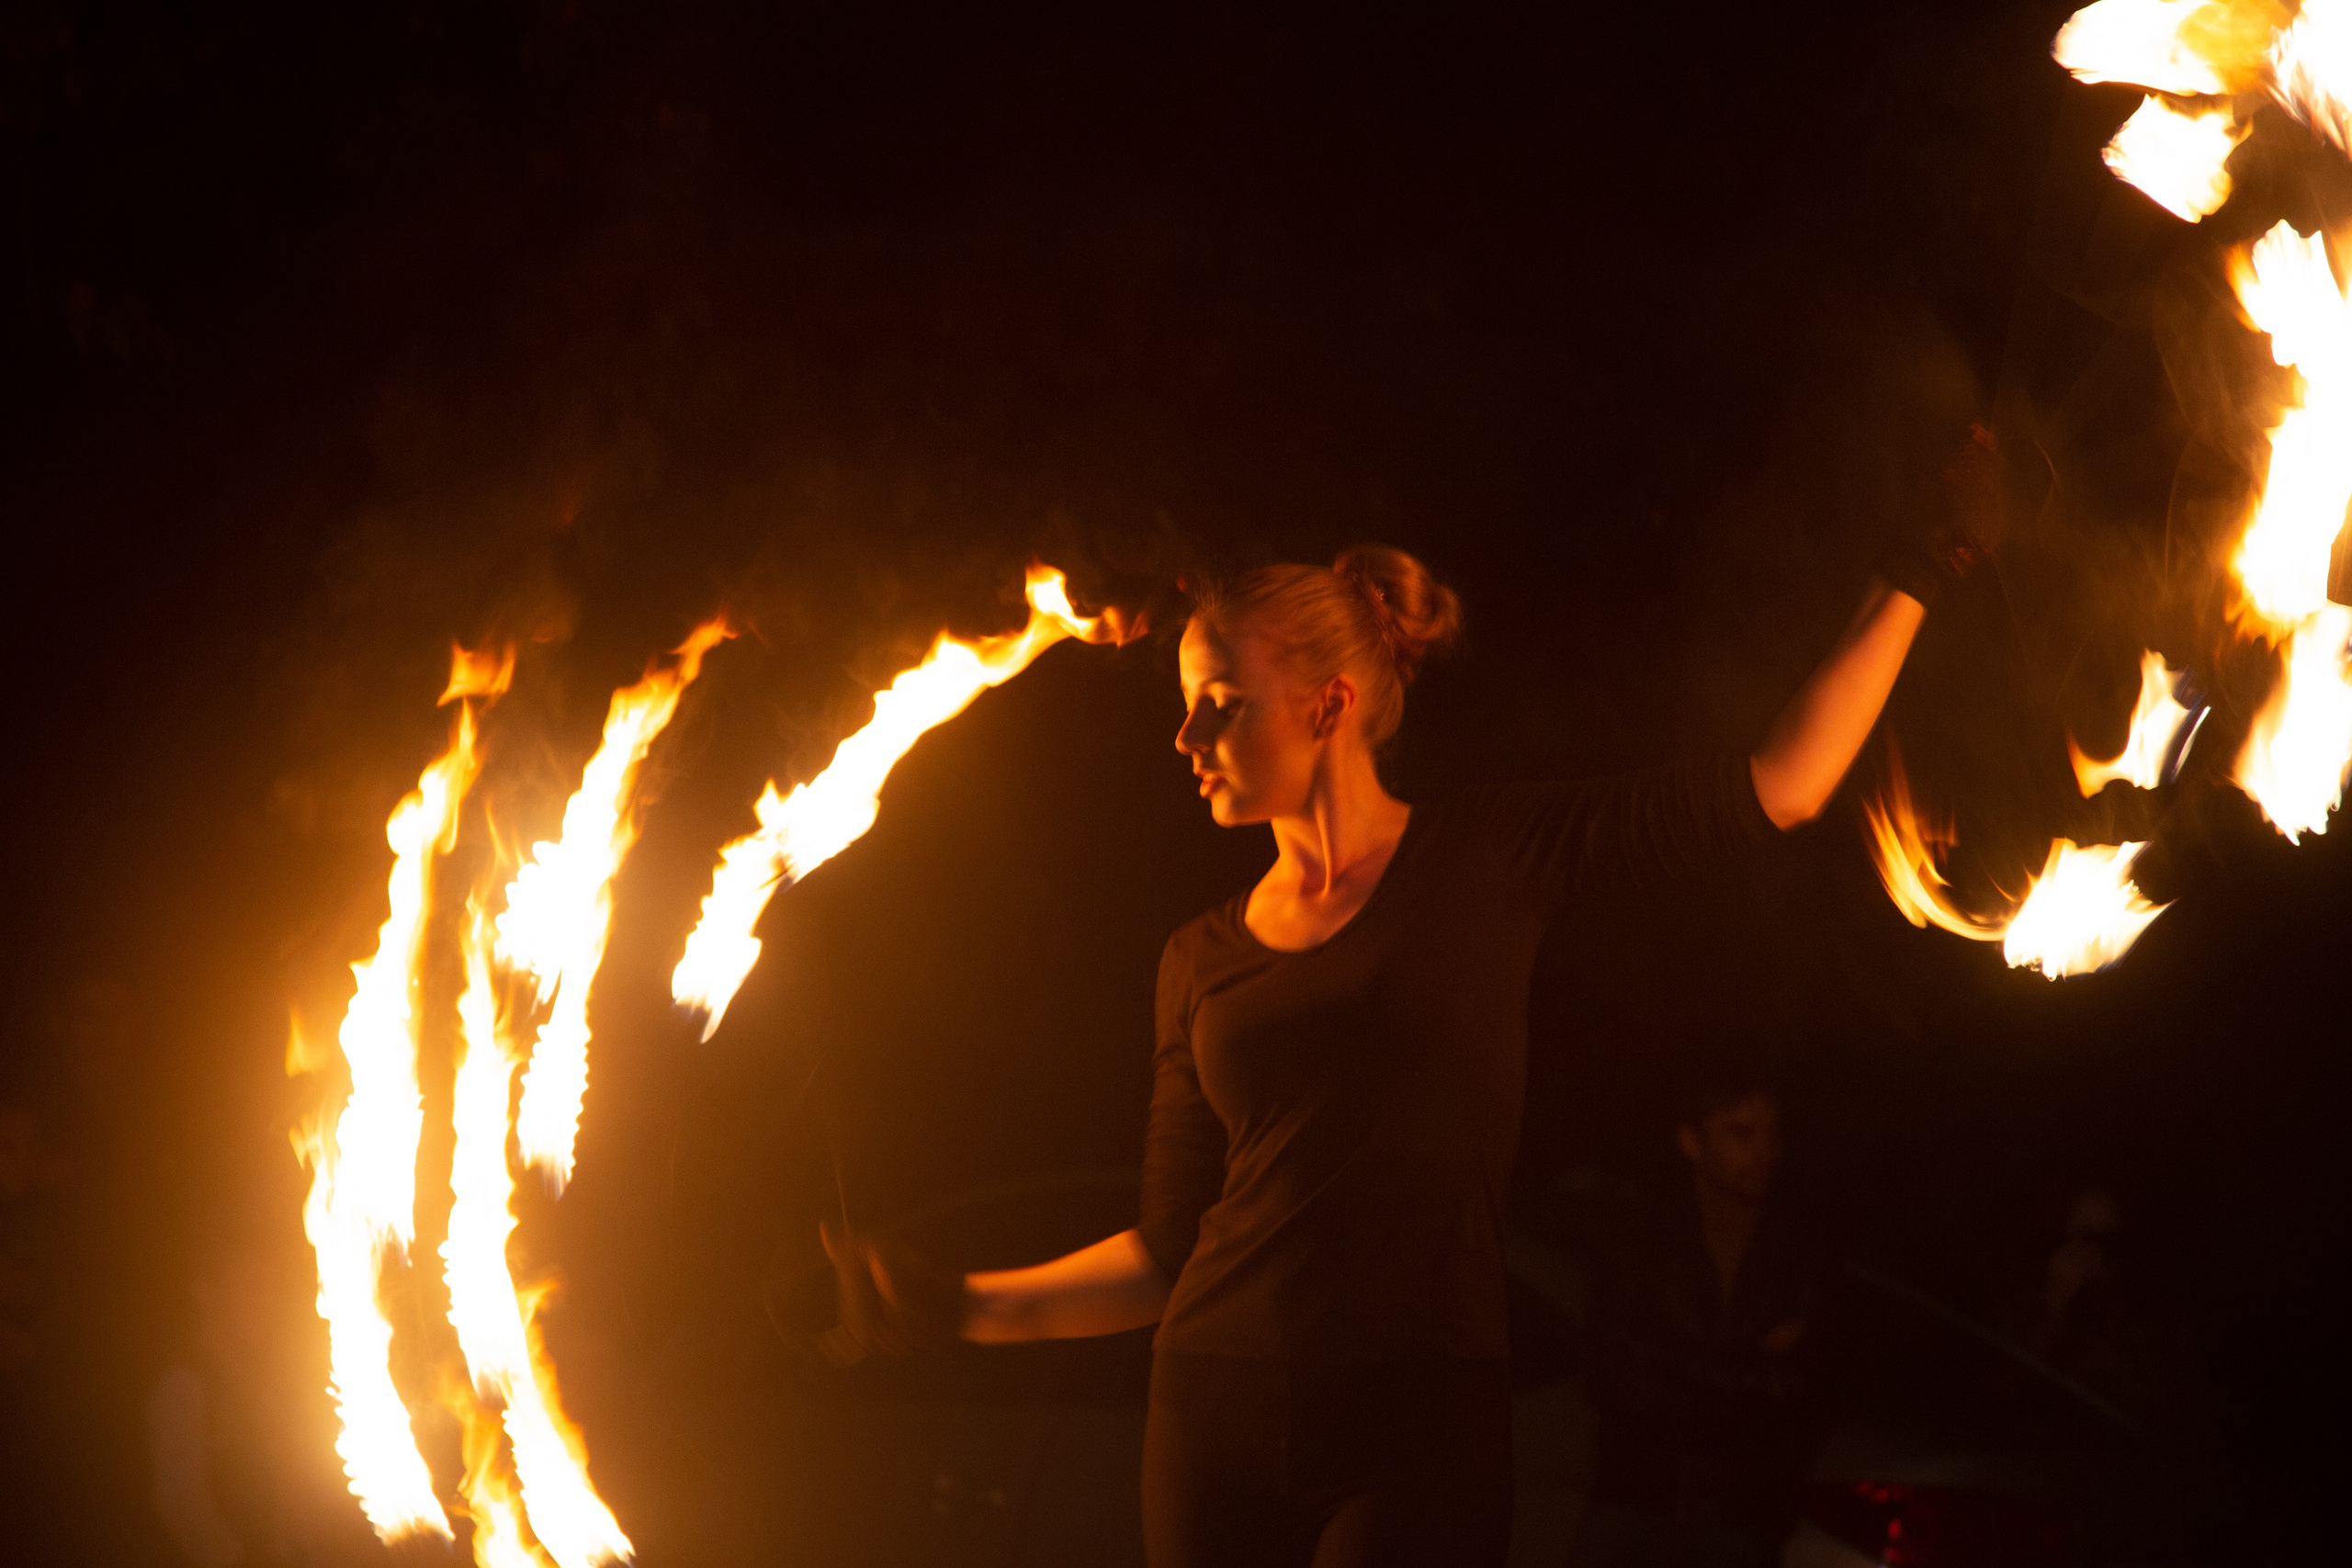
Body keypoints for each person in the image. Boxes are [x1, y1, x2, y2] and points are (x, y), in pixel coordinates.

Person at [824, 438, 1996, 1568]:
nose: (1186, 737)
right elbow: (1171, 1249)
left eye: (1220, 701)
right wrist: (957, 1305)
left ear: (1328, 705)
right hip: (1212, 1416)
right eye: (1186, 704)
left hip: (1418, 1423)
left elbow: (1782, 784)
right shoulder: (1198, 958)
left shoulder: (1489, 858)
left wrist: (1919, 568)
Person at [1575, 1077, 1821, 1568]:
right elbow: (1609, 1374)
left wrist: (1669, 1359)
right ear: (1692, 1141)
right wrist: (1746, 1374)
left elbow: (1807, 1386)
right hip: (1636, 1502)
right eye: (1741, 1134)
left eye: (1771, 1134)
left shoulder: (1796, 1256)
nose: (1763, 1151)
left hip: (1740, 1515)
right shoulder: (1644, 1241)